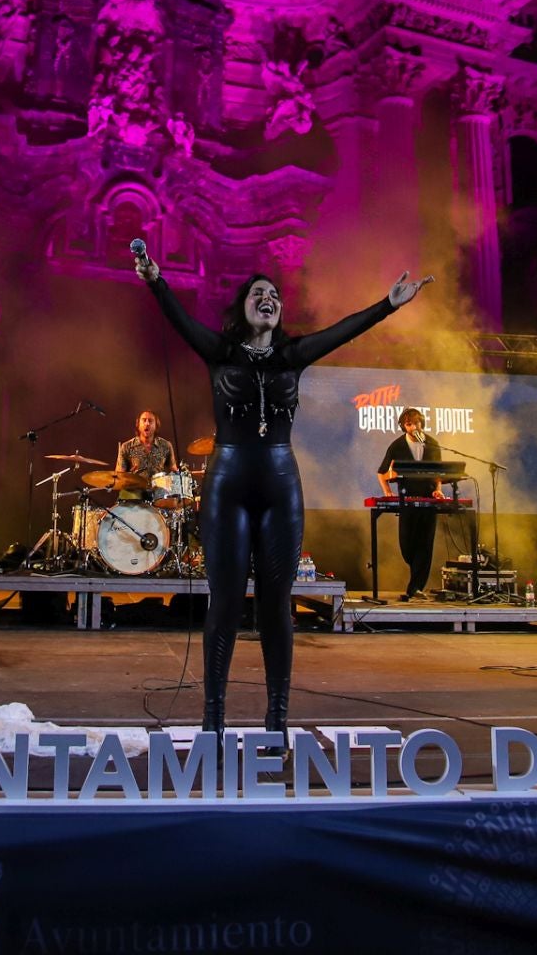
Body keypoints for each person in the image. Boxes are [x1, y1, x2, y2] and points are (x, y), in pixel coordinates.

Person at [135, 252, 432, 736]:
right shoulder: (220, 351)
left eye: (274, 295)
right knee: (226, 602)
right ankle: (213, 719)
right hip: (227, 484)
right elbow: (179, 319)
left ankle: (277, 721)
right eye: (259, 294)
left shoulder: (291, 354)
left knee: (277, 604)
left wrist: (388, 305)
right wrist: (156, 281)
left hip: (279, 485)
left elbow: (343, 330)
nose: (268, 299)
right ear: (244, 306)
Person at [377, 407, 444, 601]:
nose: (414, 427)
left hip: (429, 498)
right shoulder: (397, 445)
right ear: (403, 426)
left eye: (416, 423)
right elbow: (381, 472)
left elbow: (438, 472)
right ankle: (415, 583)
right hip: (407, 498)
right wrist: (387, 491)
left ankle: (415, 588)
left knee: (425, 543)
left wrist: (438, 488)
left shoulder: (432, 443)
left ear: (421, 423)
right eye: (409, 424)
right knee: (407, 544)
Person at [115, 409, 178, 502]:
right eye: (144, 420)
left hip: (158, 495)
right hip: (134, 495)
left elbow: (174, 471)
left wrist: (175, 478)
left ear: (156, 425)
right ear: (138, 425)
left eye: (150, 421)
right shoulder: (126, 447)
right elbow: (118, 476)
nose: (147, 423)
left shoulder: (166, 445)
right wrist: (129, 475)